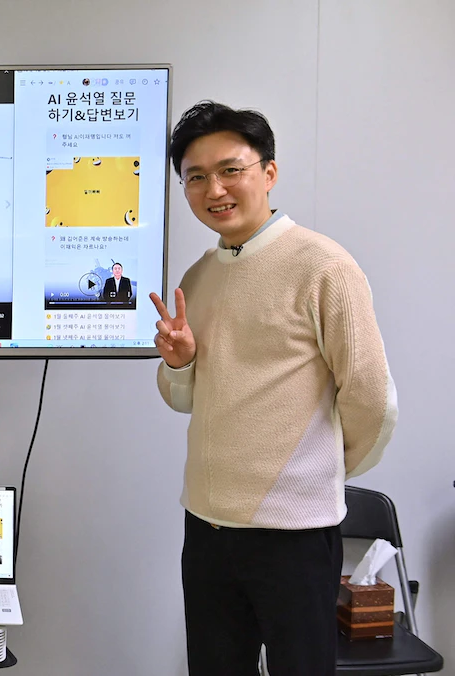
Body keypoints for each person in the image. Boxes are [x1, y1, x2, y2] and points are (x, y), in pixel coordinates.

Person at [152, 101, 396, 676]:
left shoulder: (324, 267)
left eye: (230, 169)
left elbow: (372, 401)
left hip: (295, 534)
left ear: (269, 172)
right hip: (206, 526)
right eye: (195, 177)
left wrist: (315, 473)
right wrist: (182, 364)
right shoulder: (198, 277)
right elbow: (182, 399)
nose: (214, 189)